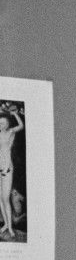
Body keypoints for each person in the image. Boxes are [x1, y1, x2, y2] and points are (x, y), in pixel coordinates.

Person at [0, 103, 22, 240]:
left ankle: (10, 228)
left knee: (5, 199)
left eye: (3, 123)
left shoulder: (10, 132)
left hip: (6, 169)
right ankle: (6, 224)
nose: (1, 125)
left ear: (7, 124)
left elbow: (21, 126)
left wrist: (15, 114)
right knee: (0, 199)